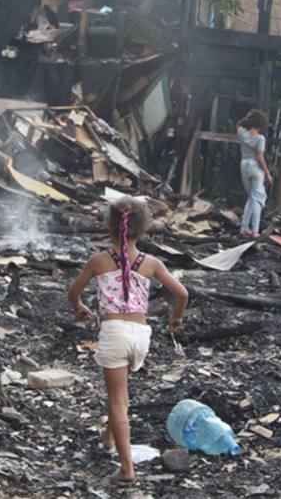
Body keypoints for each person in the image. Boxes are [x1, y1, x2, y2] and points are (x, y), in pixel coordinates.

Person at [67, 197, 188, 485]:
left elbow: (73, 292)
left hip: (115, 333)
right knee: (120, 393)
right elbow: (182, 294)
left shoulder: (98, 261)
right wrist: (176, 317)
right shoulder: (152, 263)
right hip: (140, 335)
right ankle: (109, 439)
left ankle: (126, 470)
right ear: (142, 230)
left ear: (110, 228)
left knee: (118, 401)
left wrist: (79, 307)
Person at [236, 109, 272, 238]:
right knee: (258, 200)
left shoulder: (242, 133)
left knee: (252, 197)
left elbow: (238, 124)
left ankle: (244, 228)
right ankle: (255, 230)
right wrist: (267, 173)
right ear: (261, 125)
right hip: (255, 166)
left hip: (244, 165)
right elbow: (260, 158)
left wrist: (246, 117)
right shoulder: (260, 138)